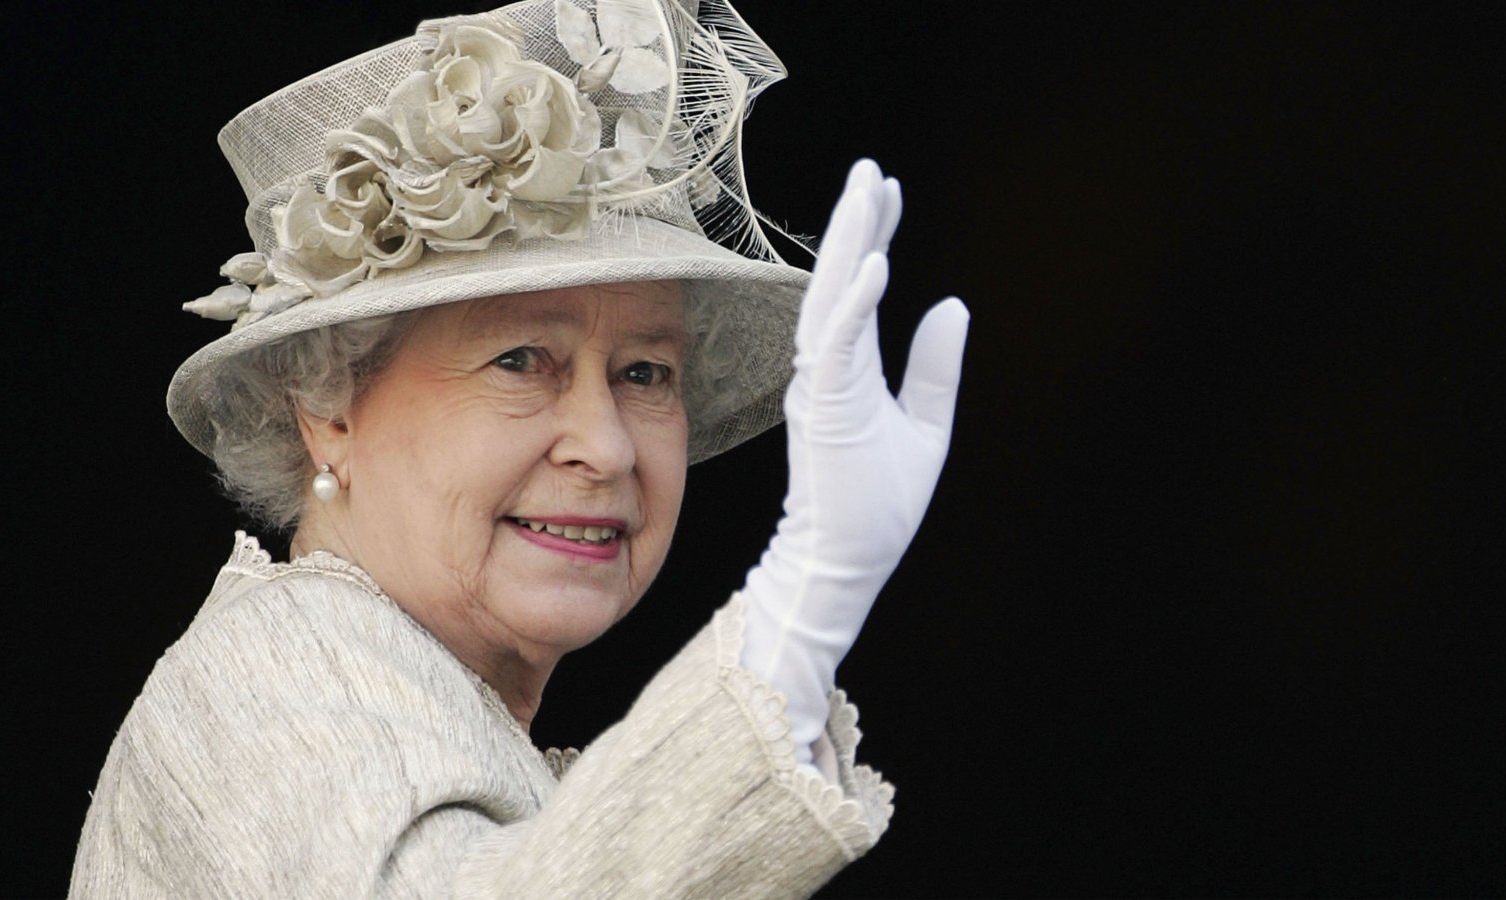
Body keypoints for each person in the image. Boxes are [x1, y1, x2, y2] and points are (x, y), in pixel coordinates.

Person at [70, 0, 968, 896]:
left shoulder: (421, 703)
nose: (606, 448)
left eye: (646, 374)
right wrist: (804, 605)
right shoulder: (275, 682)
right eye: (519, 360)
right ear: (327, 405)